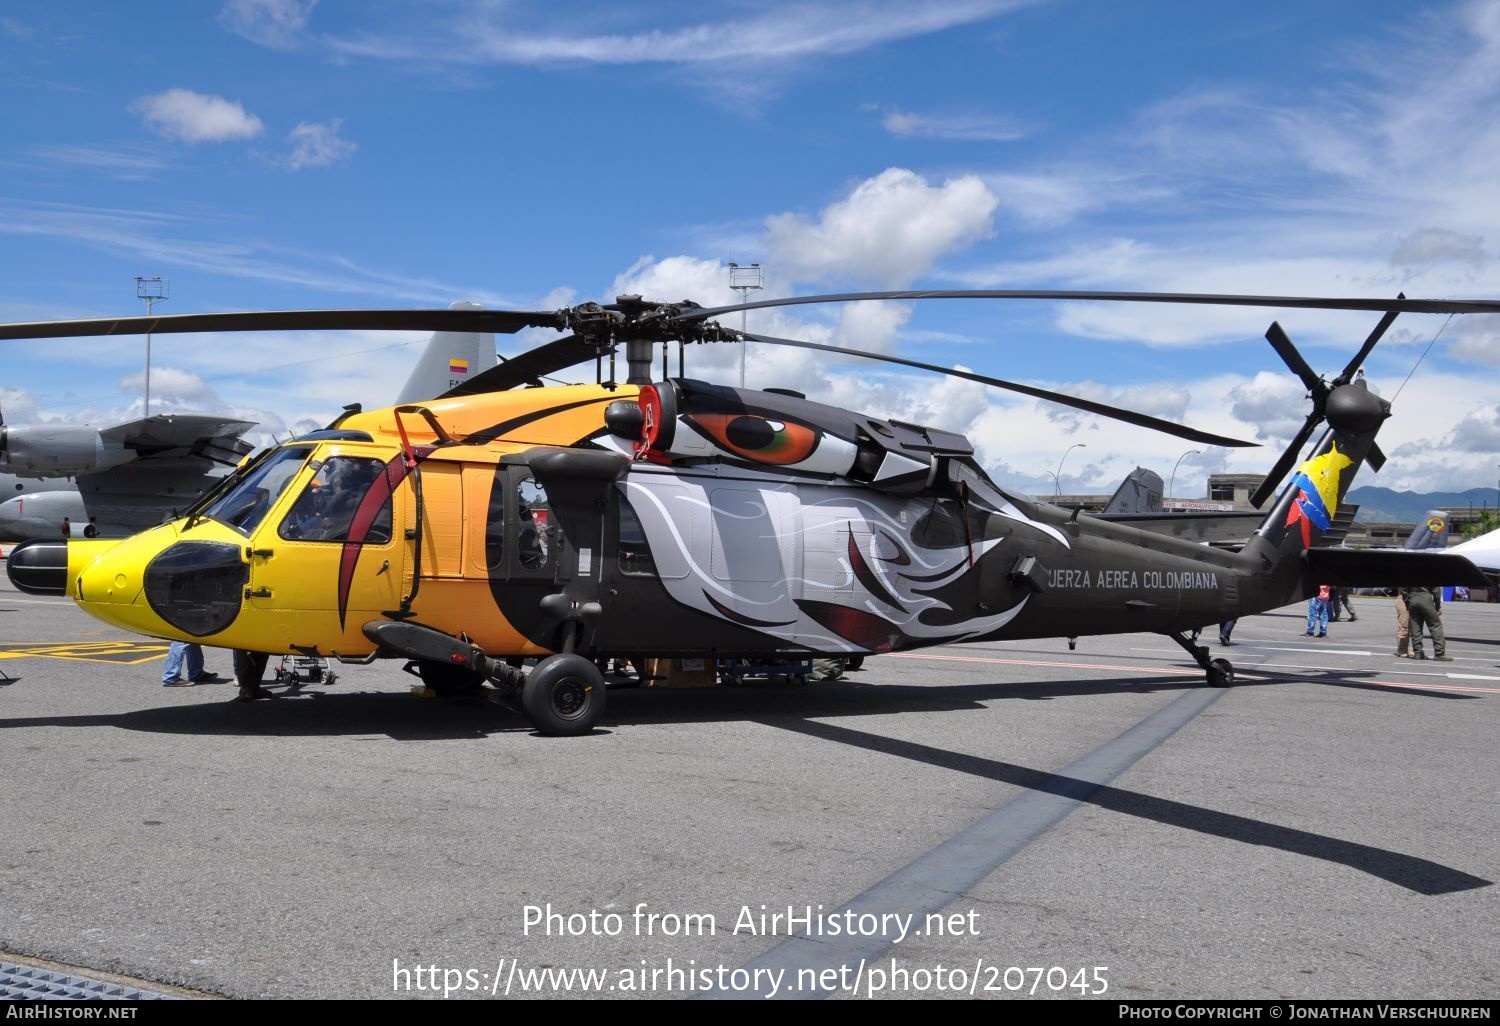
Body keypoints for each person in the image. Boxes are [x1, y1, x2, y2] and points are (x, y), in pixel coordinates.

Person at [1401, 585, 1451, 661]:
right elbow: (1436, 590)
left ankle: (1418, 652)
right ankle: (1439, 653)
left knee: (1415, 626)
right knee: (1435, 626)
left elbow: (1403, 588)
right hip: (1426, 597)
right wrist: (1438, 605)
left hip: (1413, 598)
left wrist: (1407, 601)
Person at [1393, 587, 1411, 657]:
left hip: (1411, 599)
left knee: (1410, 627)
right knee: (1404, 626)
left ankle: (1405, 648)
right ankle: (1401, 650)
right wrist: (1407, 599)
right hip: (1403, 599)